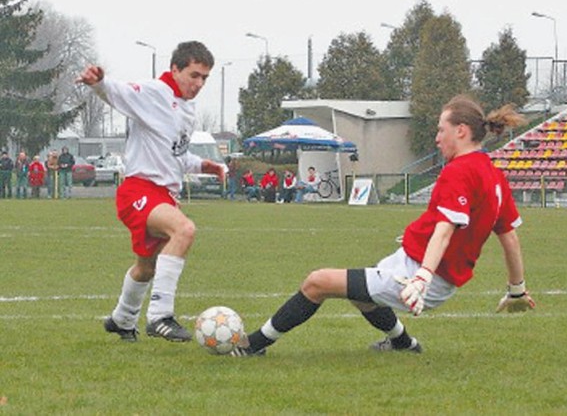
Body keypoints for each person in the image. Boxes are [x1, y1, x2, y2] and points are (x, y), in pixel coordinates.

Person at [232, 96, 535, 357]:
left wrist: (422, 278)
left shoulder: (459, 170)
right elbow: (509, 237)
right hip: (418, 266)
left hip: (419, 275)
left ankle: (253, 345)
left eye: (441, 130)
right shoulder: (493, 174)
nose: (436, 138)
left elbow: (446, 229)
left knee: (317, 282)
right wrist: (517, 291)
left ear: (461, 131)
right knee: (359, 293)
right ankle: (404, 344)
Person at [77, 41, 224, 343]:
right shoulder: (156, 93)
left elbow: (176, 155)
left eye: (204, 78)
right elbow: (118, 93)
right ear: (175, 69)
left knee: (146, 268)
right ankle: (160, 317)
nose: (198, 84)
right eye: (194, 75)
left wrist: (203, 165)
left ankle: (122, 318)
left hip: (163, 195)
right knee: (184, 230)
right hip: (139, 190)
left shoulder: (186, 108)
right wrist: (99, 81)